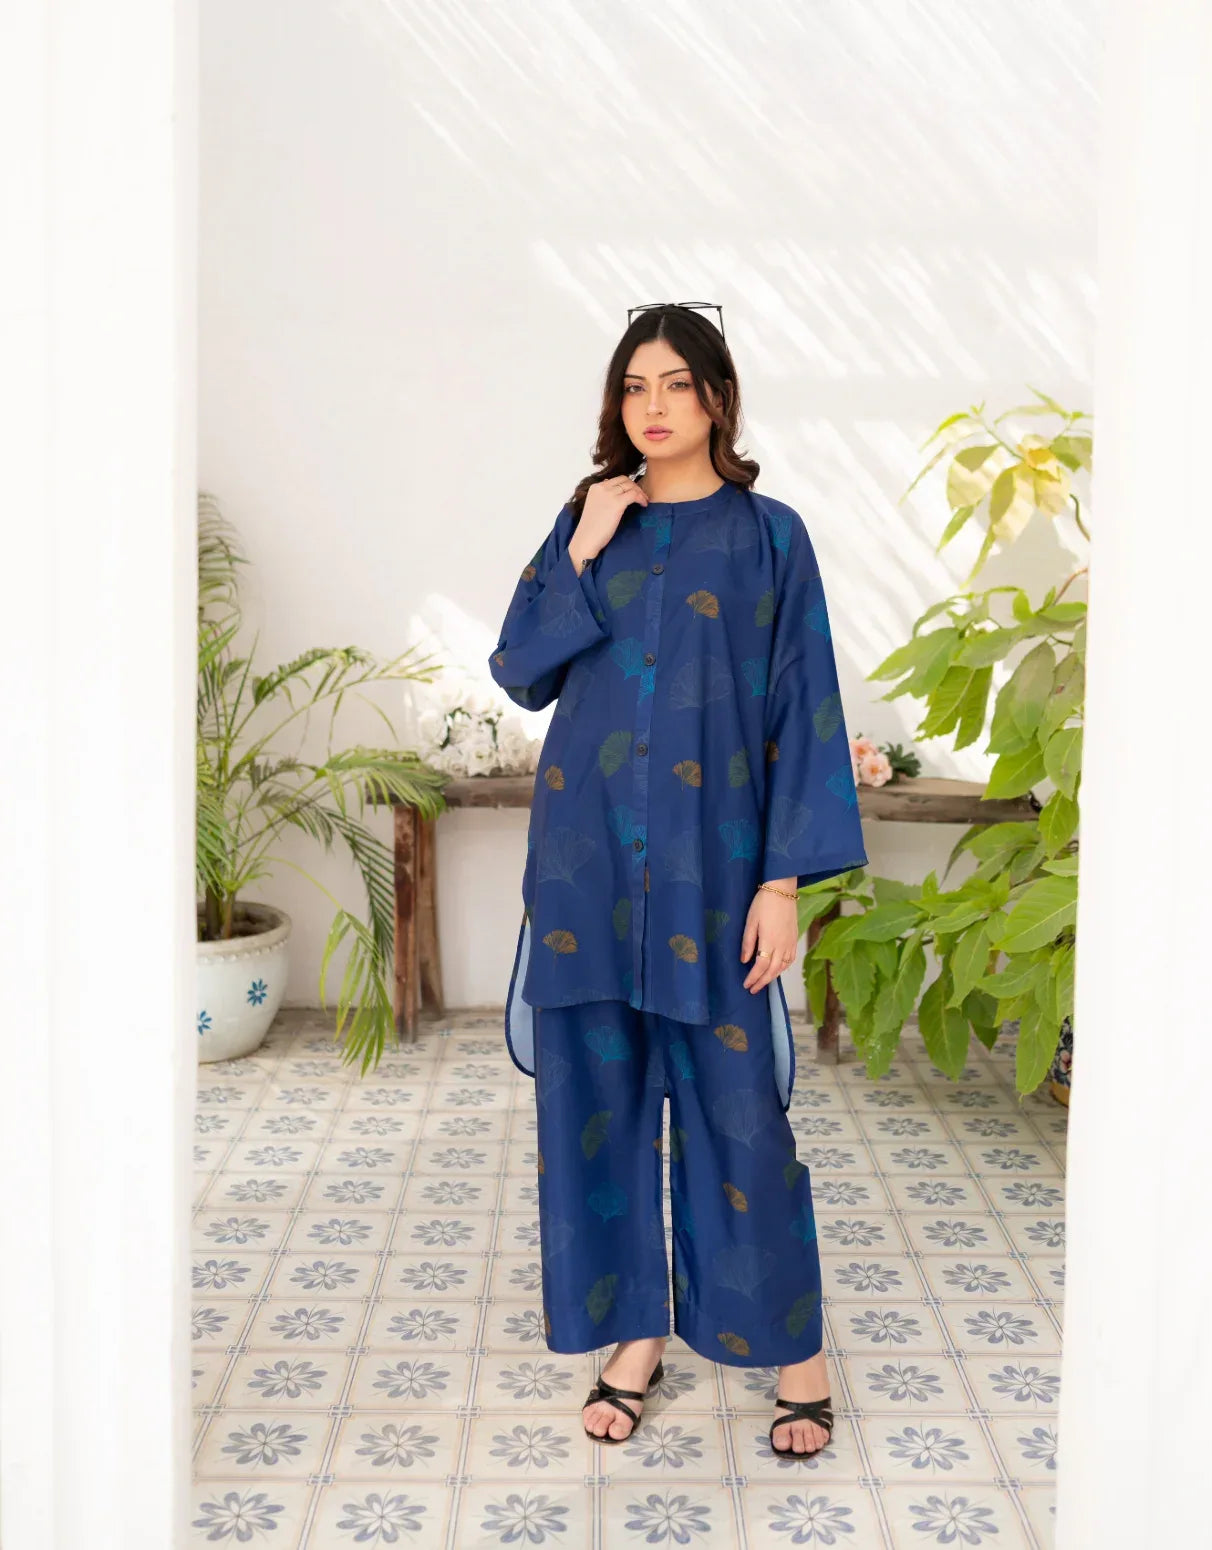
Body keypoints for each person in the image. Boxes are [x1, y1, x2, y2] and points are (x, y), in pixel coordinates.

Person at [488, 303, 868, 1457]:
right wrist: (582, 547)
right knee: (595, 1116)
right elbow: (519, 669)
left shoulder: (771, 537)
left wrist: (782, 883)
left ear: (716, 397)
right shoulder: (588, 522)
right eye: (633, 387)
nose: (652, 406)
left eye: (675, 384)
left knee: (741, 1116)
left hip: (716, 874)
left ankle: (795, 1352)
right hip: (588, 866)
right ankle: (635, 1336)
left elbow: (804, 706)